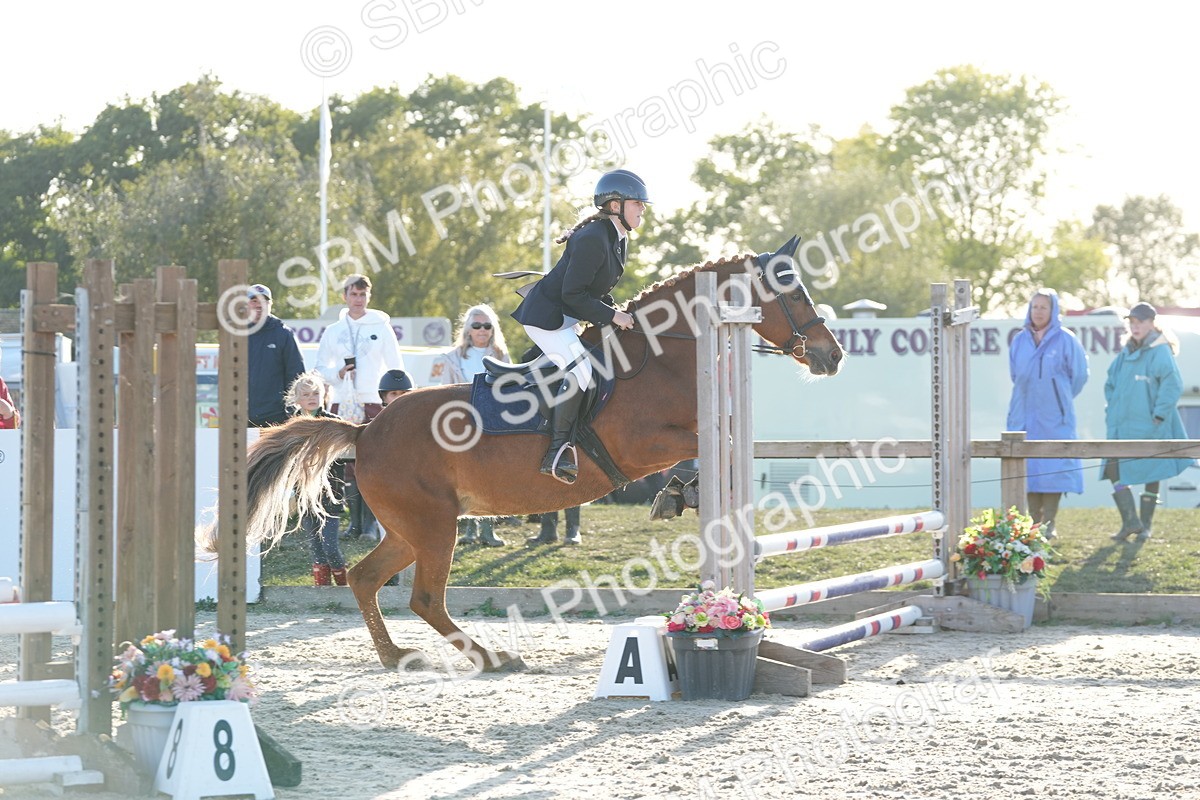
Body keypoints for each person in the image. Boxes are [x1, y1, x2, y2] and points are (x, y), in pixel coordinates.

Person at [511, 169, 647, 484]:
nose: (642, 208)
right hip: (546, 319)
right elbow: (573, 293)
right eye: (637, 203)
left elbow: (593, 289)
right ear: (616, 206)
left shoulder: (616, 236)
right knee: (580, 371)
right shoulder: (594, 238)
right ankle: (556, 452)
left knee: (595, 368)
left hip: (566, 316)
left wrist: (615, 309)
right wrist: (613, 317)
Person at [316, 274, 406, 540]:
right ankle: (352, 523)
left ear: (369, 297)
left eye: (363, 295)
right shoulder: (333, 331)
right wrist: (340, 373)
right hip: (342, 400)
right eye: (353, 294)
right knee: (343, 463)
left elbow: (395, 366)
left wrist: (395, 399)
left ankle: (369, 525)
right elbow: (320, 368)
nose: (358, 299)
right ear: (345, 296)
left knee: (372, 459)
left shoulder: (381, 326)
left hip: (372, 400)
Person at [1102, 302, 1194, 541]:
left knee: (1152, 471)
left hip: (1150, 423)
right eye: (1132, 322)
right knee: (1113, 468)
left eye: (1140, 321)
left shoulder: (1160, 350)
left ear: (1152, 323)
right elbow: (1110, 381)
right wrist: (1112, 407)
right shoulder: (1126, 351)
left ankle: (1145, 526)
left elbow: (1172, 384)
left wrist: (1160, 415)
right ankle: (1131, 522)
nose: (1135, 326)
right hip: (1122, 424)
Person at [1004, 289, 1089, 539]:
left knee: (1054, 470)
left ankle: (1049, 524)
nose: (1038, 311)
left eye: (1043, 307)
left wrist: (1059, 397)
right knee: (1028, 470)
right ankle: (1032, 525)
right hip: (1024, 414)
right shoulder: (1019, 340)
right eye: (1034, 306)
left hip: (1055, 417)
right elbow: (1014, 375)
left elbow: (1080, 376)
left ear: (1053, 310)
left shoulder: (1066, 340)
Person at [432, 304, 511, 547]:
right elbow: (443, 390)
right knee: (464, 475)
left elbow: (510, 388)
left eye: (487, 326)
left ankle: (488, 530)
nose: (482, 330)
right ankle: (468, 529)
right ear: (468, 329)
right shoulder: (452, 357)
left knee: (491, 475)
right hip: (462, 421)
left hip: (493, 422)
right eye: (476, 325)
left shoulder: (501, 356)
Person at [286, 373, 348, 586]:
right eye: (306, 394)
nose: (312, 398)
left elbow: (344, 454)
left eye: (316, 393)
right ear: (296, 399)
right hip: (304, 495)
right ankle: (323, 593)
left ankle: (343, 588)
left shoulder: (334, 422)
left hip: (330, 495)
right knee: (317, 550)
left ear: (324, 396)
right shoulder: (291, 425)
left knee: (330, 548)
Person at [247, 283, 306, 427]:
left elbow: (296, 375)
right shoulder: (236, 334)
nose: (259, 305)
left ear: (270, 304)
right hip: (241, 416)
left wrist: (290, 410)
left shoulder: (283, 334)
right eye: (254, 301)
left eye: (264, 301)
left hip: (275, 417)